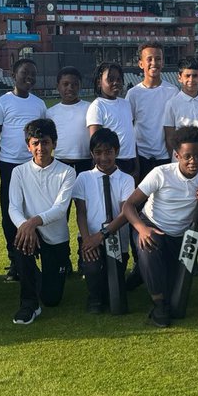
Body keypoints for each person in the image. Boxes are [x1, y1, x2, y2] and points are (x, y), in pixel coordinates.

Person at [122, 124, 198, 328]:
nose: (193, 161)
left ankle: (140, 273)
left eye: (197, 155)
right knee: (149, 245)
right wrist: (142, 229)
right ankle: (158, 304)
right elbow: (129, 206)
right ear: (177, 155)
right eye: (187, 156)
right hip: (152, 226)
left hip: (178, 237)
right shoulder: (160, 173)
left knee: (172, 285)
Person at [7, 118, 77, 325]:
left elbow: (60, 209)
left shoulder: (67, 172)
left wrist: (32, 222)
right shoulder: (18, 172)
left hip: (56, 238)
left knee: (52, 299)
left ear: (54, 143)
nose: (40, 148)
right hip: (30, 234)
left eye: (45, 142)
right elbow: (13, 207)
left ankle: (36, 277)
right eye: (35, 143)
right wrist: (26, 226)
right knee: (22, 241)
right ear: (28, 146)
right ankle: (28, 303)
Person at [0, 57, 48, 281]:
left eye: (33, 74)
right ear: (14, 75)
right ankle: (15, 259)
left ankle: (35, 255)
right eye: (25, 73)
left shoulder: (39, 104)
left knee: (33, 211)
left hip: (33, 166)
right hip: (9, 166)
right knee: (10, 213)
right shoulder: (2, 103)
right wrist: (1, 163)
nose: (29, 78)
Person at [163, 56, 198, 271]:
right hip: (181, 171)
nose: (191, 79)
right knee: (186, 214)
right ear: (179, 77)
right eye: (187, 75)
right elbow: (170, 138)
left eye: (195, 75)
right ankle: (188, 260)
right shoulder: (172, 103)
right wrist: (179, 164)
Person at [72, 126, 135, 314]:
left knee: (115, 285)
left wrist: (103, 235)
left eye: (109, 152)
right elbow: (80, 212)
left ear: (117, 151)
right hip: (90, 237)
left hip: (116, 238)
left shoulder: (126, 179)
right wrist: (86, 239)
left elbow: (125, 212)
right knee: (92, 268)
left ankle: (108, 292)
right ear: (92, 154)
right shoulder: (84, 177)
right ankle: (94, 297)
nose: (104, 158)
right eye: (98, 153)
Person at [126, 43, 177, 183]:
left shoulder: (172, 92)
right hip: (141, 158)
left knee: (165, 202)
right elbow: (129, 128)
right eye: (149, 59)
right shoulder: (133, 94)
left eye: (158, 58)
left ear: (163, 62)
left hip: (165, 157)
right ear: (141, 64)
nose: (154, 63)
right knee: (141, 203)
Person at [87, 62, 136, 176]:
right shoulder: (97, 106)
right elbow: (96, 142)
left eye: (119, 79)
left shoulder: (126, 104)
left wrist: (136, 164)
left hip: (130, 162)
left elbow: (131, 136)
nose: (116, 83)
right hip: (110, 164)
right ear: (99, 82)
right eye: (110, 79)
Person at [47, 66, 91, 175]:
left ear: (80, 86)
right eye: (65, 84)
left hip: (86, 161)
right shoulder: (50, 112)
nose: (70, 88)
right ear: (58, 86)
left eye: (74, 84)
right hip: (60, 163)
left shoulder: (90, 108)